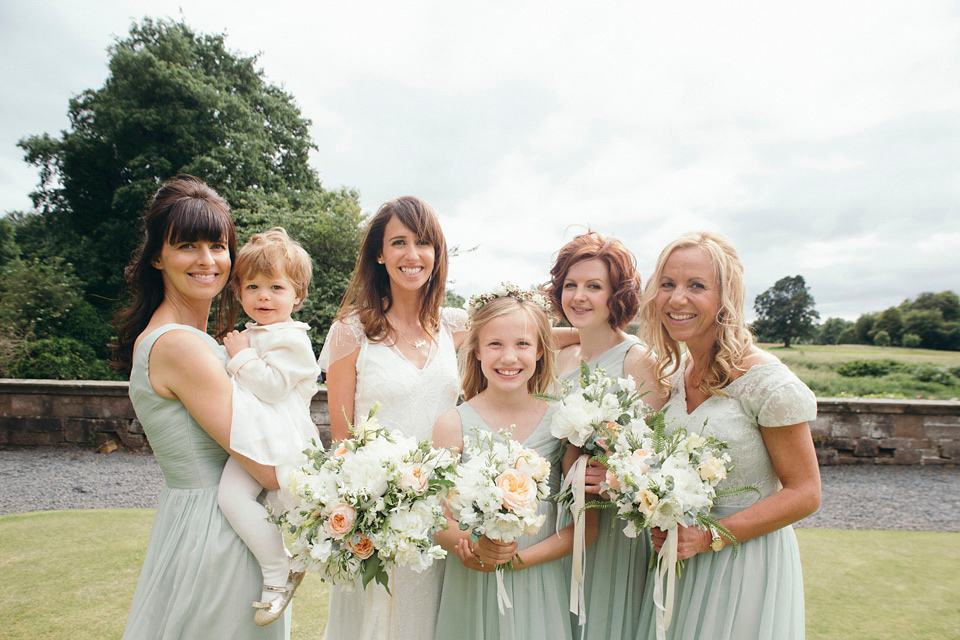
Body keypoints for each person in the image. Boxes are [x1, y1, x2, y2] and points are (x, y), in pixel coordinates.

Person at [112, 175, 286, 639]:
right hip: (220, 532)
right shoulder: (179, 346)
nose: (208, 260)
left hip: (206, 522)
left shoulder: (193, 341)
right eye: (188, 245)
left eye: (218, 245)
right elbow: (267, 468)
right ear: (157, 256)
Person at [635, 231, 821, 640]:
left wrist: (706, 538)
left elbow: (805, 492)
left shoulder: (766, 382)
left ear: (726, 297)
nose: (676, 299)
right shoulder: (680, 374)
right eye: (667, 284)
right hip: (681, 557)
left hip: (743, 561)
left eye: (696, 286)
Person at [318, 196, 467, 640]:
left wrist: (603, 335)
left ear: (436, 254)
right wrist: (363, 510)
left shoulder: (455, 325)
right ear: (379, 254)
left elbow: (527, 338)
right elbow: (343, 438)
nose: (412, 254)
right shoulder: (350, 330)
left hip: (444, 511)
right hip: (379, 511)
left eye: (423, 243)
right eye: (398, 242)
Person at [432, 291, 597, 640]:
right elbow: (436, 519)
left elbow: (587, 527)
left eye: (522, 343)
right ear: (476, 350)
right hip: (474, 583)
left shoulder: (563, 423)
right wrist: (472, 548)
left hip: (540, 582)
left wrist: (516, 561)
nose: (509, 357)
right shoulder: (452, 424)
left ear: (540, 350)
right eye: (495, 344)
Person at [544, 231, 669, 640]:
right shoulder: (561, 357)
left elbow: (658, 456)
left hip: (614, 528)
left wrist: (614, 478)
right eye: (571, 285)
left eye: (594, 286)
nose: (579, 296)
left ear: (617, 296)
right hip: (559, 519)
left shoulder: (638, 361)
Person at [218, 227, 322, 626]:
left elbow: (275, 387)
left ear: (297, 296)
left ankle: (279, 573)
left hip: (279, 436)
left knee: (268, 504)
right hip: (255, 432)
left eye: (276, 287)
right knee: (234, 499)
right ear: (239, 292)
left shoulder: (293, 338)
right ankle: (281, 570)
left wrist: (240, 358)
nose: (264, 296)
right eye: (254, 286)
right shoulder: (253, 334)